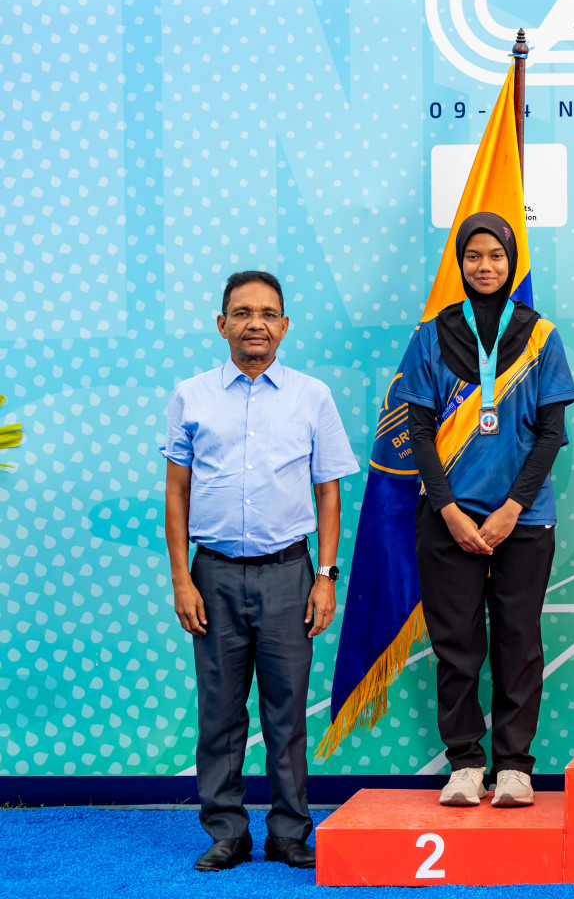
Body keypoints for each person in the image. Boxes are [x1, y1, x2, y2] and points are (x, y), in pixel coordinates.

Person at [163, 270, 360, 872]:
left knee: (286, 710)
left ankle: (289, 832)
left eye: (268, 313)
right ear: (221, 324)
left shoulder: (312, 395)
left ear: (285, 326)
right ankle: (226, 831)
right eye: (243, 312)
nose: (256, 322)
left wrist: (325, 575)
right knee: (219, 712)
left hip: (289, 575)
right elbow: (176, 495)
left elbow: (329, 493)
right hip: (214, 576)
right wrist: (182, 580)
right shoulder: (191, 395)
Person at [396, 213, 574, 807]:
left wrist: (511, 508)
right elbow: (418, 432)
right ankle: (466, 765)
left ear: (511, 262)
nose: (484, 266)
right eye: (473, 256)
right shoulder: (430, 336)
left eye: (495, 256)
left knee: (519, 642)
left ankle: (516, 767)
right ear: (459, 261)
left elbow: (551, 433)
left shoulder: (542, 335)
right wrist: (449, 509)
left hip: (521, 520)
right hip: (448, 519)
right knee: (456, 643)